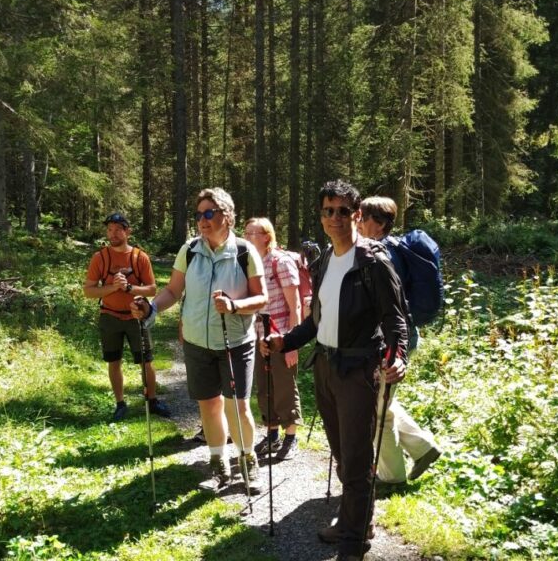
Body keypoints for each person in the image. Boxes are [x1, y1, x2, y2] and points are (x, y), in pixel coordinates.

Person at [264, 180, 408, 561]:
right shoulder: (325, 259)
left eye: (343, 211)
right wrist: (286, 341)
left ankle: (353, 543)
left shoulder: (373, 261)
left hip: (359, 370)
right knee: (343, 453)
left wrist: (398, 356)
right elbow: (315, 322)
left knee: (358, 457)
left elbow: (396, 318)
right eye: (328, 210)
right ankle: (355, 521)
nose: (335, 218)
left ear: (357, 215)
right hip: (326, 366)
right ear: (321, 215)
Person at [131, 188, 268, 493]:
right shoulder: (190, 250)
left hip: (235, 342)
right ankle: (218, 464)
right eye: (199, 214)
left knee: (238, 406)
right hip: (196, 342)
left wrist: (234, 305)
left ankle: (247, 460)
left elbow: (262, 297)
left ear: (227, 216)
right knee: (208, 405)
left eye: (210, 213)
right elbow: (172, 291)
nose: (203, 220)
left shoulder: (245, 251)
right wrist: (150, 307)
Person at [358, 196, 442, 483]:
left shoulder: (382, 254)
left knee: (378, 411)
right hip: (402, 335)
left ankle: (391, 477)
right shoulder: (393, 249)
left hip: (391, 341)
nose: (356, 221)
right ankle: (423, 448)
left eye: (362, 217)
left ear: (378, 224)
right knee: (382, 403)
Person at [83, 212, 170, 420]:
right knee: (114, 361)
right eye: (109, 230)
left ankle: (152, 400)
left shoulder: (140, 257)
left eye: (118, 229)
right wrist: (113, 287)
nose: (112, 234)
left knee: (146, 361)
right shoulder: (100, 258)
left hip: (136, 317)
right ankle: (120, 403)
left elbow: (151, 290)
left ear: (127, 231)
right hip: (109, 316)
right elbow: (88, 291)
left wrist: (129, 287)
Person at [243, 217, 302, 461]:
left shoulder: (281, 261)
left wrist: (292, 343)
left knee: (284, 385)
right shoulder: (250, 263)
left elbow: (295, 304)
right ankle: (272, 434)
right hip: (258, 336)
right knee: (264, 386)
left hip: (281, 336)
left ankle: (291, 437)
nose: (246, 237)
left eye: (251, 233)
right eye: (245, 233)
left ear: (266, 236)